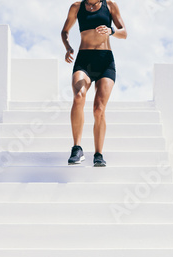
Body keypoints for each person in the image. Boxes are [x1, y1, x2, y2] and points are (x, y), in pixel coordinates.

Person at [61, 0, 127, 167]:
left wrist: (111, 30)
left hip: (105, 61)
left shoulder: (110, 5)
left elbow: (124, 32)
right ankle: (77, 148)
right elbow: (65, 31)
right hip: (84, 60)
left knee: (99, 108)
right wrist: (68, 47)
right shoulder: (76, 7)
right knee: (78, 96)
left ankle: (98, 154)